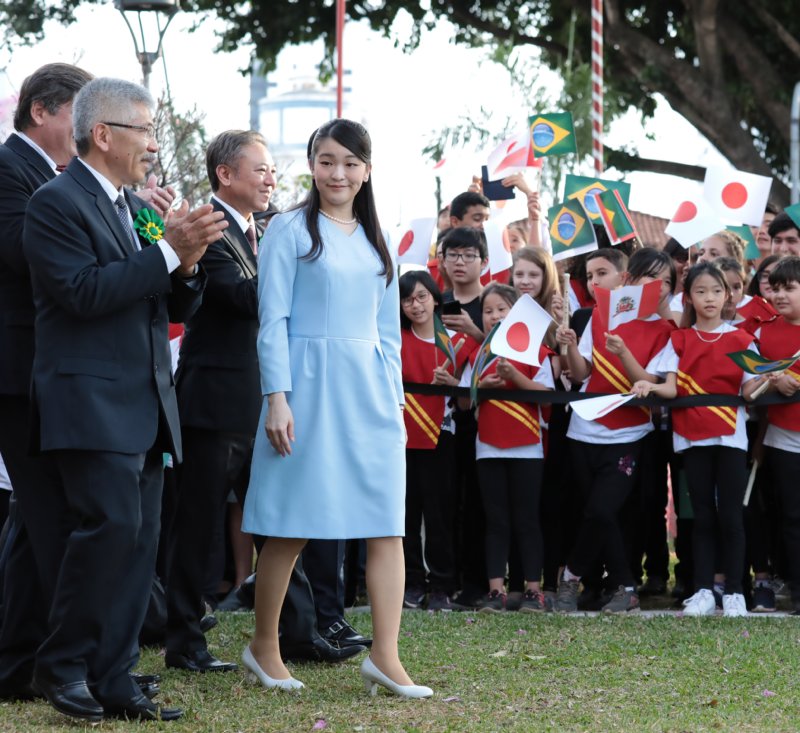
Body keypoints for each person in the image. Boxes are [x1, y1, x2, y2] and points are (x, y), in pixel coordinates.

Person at [23, 77, 227, 722]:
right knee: (108, 530)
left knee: (139, 544)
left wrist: (187, 265)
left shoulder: (126, 205)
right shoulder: (55, 201)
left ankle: (114, 675)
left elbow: (163, 300)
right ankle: (62, 665)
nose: (155, 146)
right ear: (104, 134)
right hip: (89, 401)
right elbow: (82, 292)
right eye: (146, 131)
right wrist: (170, 249)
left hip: (143, 401)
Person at [241, 118, 432, 698]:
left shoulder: (380, 239)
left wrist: (395, 404)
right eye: (326, 161)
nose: (337, 173)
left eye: (349, 162)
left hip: (369, 393)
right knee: (291, 523)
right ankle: (264, 646)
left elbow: (389, 335)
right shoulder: (290, 229)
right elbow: (271, 319)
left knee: (386, 525)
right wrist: (277, 398)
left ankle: (386, 655)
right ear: (312, 165)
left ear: (367, 169)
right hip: (304, 389)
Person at [163, 130, 276, 673]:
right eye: (260, 169)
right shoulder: (203, 229)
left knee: (279, 518)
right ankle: (184, 640)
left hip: (260, 400)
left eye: (272, 169)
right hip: (213, 402)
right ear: (225, 174)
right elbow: (242, 298)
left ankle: (297, 629)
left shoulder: (261, 232)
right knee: (200, 527)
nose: (270, 179)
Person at [0, 62, 93, 703]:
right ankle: (62, 667)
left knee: (35, 527)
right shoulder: (12, 169)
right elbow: (20, 249)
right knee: (50, 520)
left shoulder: (49, 175)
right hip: (16, 373)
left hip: (42, 373)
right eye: (77, 116)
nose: (85, 132)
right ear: (42, 111)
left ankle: (19, 666)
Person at [633, 261, 761, 617]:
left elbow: (750, 390)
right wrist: (649, 384)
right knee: (701, 516)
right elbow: (670, 386)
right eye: (701, 291)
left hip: (731, 438)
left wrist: (769, 379)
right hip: (690, 438)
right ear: (688, 297)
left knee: (731, 517)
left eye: (717, 291)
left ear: (728, 295)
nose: (709, 298)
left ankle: (735, 591)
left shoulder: (743, 340)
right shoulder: (680, 339)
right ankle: (703, 590)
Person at [555, 248, 675, 614]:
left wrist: (623, 352)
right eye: (648, 278)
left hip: (629, 435)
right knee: (593, 512)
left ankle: (574, 578)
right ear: (629, 281)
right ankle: (620, 587)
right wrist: (571, 347)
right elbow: (580, 374)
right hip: (583, 429)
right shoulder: (598, 314)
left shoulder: (665, 330)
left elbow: (647, 381)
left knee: (602, 510)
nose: (658, 287)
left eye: (666, 281)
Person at [461, 284, 554, 612]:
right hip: (488, 447)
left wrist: (516, 375)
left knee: (527, 520)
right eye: (488, 311)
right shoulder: (477, 355)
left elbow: (548, 397)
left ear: (517, 315)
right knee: (496, 520)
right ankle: (496, 590)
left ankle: (532, 589)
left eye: (502, 310)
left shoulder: (537, 353)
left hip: (528, 448)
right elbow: (461, 401)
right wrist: (480, 387)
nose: (495, 316)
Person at [399, 270, 467, 612]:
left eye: (422, 296)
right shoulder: (395, 339)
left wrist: (453, 382)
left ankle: (442, 584)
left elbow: (470, 396)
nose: (416, 304)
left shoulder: (456, 341)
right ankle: (412, 582)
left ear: (436, 299)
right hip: (403, 438)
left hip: (442, 437)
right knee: (407, 515)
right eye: (408, 299)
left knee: (440, 515)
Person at [759, 256, 800, 615]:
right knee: (790, 516)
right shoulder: (765, 332)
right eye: (776, 288)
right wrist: (773, 380)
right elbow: (753, 374)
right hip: (783, 438)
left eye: (790, 288)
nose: (780, 295)